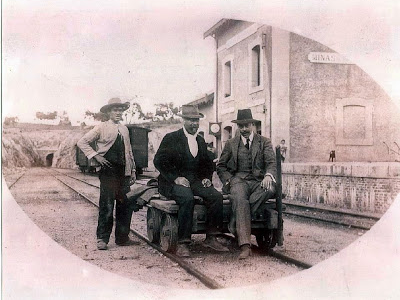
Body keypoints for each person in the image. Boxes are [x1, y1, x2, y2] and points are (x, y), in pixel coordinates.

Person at [154, 105, 228, 257]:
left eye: (196, 120)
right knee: (187, 198)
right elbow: (159, 161)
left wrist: (207, 178)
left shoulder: (200, 141)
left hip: (194, 181)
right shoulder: (171, 138)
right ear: (183, 121)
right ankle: (183, 242)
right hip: (171, 182)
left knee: (216, 197)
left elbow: (207, 164)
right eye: (190, 120)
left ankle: (211, 237)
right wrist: (176, 177)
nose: (194, 124)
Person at [77, 98, 138, 250]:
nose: (118, 113)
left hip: (123, 172)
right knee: (107, 205)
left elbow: (129, 152)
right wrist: (96, 156)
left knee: (125, 204)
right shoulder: (101, 127)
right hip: (108, 172)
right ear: (109, 112)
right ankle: (102, 239)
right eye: (114, 110)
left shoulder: (124, 129)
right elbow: (82, 142)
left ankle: (122, 238)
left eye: (120, 110)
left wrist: (133, 171)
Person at [217, 109, 277, 259]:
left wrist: (268, 175)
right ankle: (245, 246)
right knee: (240, 199)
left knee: (269, 188)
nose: (244, 129)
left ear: (252, 125)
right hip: (238, 181)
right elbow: (221, 166)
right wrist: (229, 180)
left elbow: (271, 162)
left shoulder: (264, 142)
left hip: (258, 181)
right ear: (238, 127)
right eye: (241, 126)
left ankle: (235, 219)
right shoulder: (231, 144)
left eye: (246, 125)